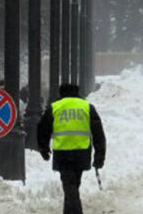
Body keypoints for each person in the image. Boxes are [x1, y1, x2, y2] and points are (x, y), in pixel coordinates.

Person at [37, 83, 107, 214]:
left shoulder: (55, 107)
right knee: (73, 185)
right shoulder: (87, 107)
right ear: (77, 92)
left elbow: (43, 129)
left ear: (61, 93)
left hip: (63, 154)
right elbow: (98, 134)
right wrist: (99, 156)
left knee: (69, 186)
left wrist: (43, 148)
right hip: (82, 153)